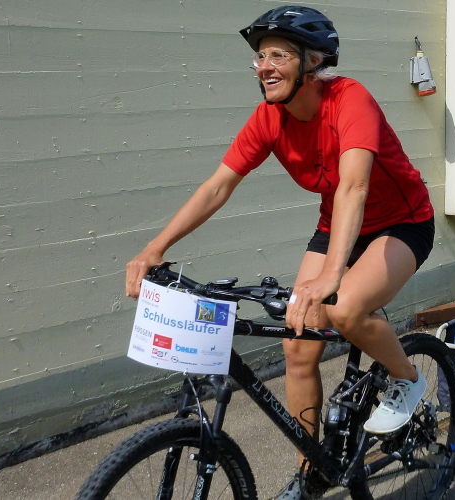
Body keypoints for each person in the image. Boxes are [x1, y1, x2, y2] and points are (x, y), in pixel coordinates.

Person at [125, 6, 436, 499]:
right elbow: (218, 186)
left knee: (343, 308)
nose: (265, 66)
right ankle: (311, 473)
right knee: (297, 343)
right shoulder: (270, 119)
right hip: (338, 226)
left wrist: (332, 276)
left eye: (279, 55)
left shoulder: (350, 99)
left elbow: (354, 186)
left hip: (403, 222)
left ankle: (407, 378)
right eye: (260, 57)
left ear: (313, 62)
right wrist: (154, 248)